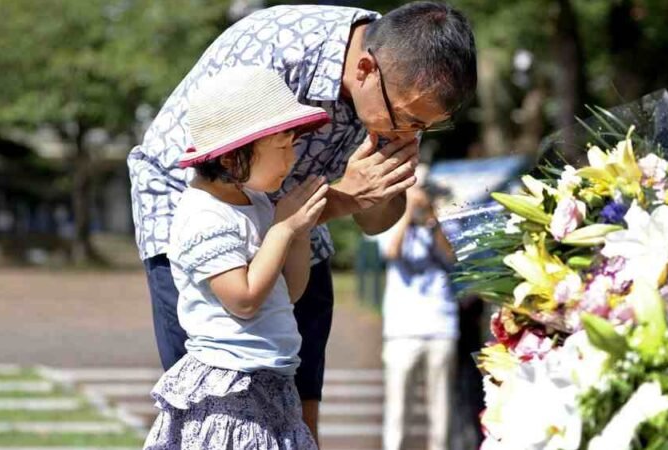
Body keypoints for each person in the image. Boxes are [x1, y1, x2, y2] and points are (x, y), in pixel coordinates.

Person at [128, 2, 477, 440]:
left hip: (295, 211)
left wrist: (370, 189)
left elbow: (374, 221)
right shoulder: (279, 53)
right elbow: (221, 177)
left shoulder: (404, 83)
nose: (409, 133)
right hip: (193, 196)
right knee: (218, 397)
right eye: (407, 119)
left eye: (425, 126)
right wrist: (338, 199)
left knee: (298, 381)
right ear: (366, 69)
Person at [143, 66, 333, 449]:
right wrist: (281, 230)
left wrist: (297, 232)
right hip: (230, 392)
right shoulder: (205, 215)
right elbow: (243, 299)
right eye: (281, 147)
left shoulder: (256, 202)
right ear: (231, 159)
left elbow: (289, 291)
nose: (291, 159)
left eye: (292, 145)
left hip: (273, 381)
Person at [378, 178, 459, 450]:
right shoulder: (387, 223)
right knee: (398, 409)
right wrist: (407, 212)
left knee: (441, 409)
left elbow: (451, 258)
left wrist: (431, 220)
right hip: (401, 332)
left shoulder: (442, 223)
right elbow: (391, 251)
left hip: (441, 327)